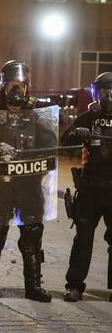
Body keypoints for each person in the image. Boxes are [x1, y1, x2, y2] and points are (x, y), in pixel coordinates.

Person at [0, 60, 56, 302]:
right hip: (1, 186)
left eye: (21, 85)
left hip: (29, 186)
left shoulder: (37, 117)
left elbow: (51, 147)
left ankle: (33, 286)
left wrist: (36, 151)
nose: (16, 91)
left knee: (32, 234)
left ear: (28, 88)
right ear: (3, 87)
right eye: (12, 85)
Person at [62, 72, 112, 302]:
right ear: (95, 92)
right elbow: (64, 141)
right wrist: (76, 134)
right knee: (83, 239)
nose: (107, 96)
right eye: (102, 91)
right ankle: (74, 285)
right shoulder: (87, 117)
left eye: (110, 90)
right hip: (91, 189)